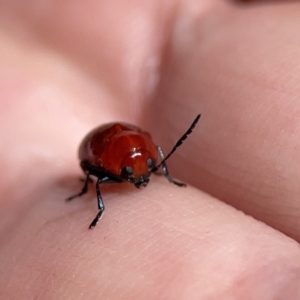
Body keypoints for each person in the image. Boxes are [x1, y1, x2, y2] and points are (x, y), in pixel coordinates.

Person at [1, 0, 300, 298]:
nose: (142, 179)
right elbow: (89, 162)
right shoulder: (105, 165)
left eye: (148, 168)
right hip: (101, 145)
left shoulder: (148, 149)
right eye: (134, 173)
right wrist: (91, 195)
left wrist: (164, 174)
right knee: (96, 178)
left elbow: (153, 147)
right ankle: (89, 194)